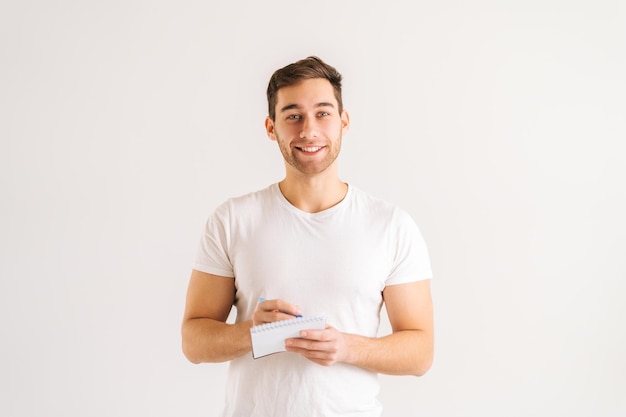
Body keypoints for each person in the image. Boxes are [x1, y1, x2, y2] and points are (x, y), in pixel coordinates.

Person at [181, 56, 434, 417]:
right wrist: (252, 331)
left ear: (344, 122)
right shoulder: (233, 220)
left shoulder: (391, 225)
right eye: (293, 115)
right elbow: (193, 341)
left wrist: (346, 347)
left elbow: (420, 351)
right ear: (271, 127)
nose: (309, 130)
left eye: (323, 113)